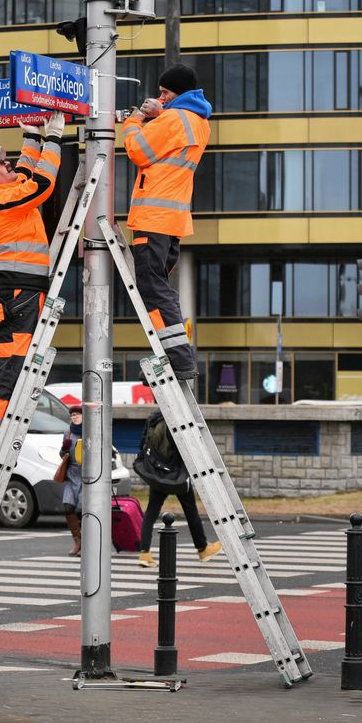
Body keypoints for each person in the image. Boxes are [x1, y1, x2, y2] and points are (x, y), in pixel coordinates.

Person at [0, 111, 65, 465]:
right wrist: (55, 137)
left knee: (0, 366)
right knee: (11, 367)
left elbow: (26, 171)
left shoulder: (5, 192)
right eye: (2, 164)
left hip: (16, 292)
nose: (8, 165)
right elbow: (42, 183)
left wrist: (33, 137)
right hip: (16, 293)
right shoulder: (0, 199)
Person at [122, 63, 212, 381]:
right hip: (172, 220)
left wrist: (135, 120)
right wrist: (158, 116)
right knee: (161, 289)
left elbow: (137, 150)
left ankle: (178, 359)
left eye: (165, 92)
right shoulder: (199, 122)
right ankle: (178, 355)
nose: (160, 97)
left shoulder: (174, 118)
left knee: (154, 288)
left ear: (179, 93)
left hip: (153, 218)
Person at [136, 409, 221, 568]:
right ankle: (203, 549)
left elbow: (142, 443)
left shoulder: (153, 419)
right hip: (176, 475)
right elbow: (182, 449)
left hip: (157, 473)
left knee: (151, 513)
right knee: (191, 510)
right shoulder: (175, 421)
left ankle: (144, 553)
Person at [58, 403, 84, 556]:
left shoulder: (90, 431)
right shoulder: (67, 433)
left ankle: (87, 543)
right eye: (73, 415)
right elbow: (62, 455)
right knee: (68, 506)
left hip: (87, 474)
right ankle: (77, 541)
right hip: (72, 473)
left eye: (78, 414)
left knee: (83, 510)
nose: (75, 417)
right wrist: (64, 449)